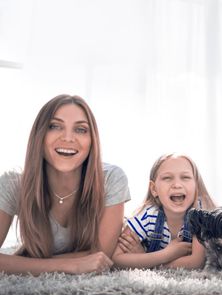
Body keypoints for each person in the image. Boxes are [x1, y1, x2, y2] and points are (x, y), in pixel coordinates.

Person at [0, 94, 130, 275]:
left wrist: (21, 264)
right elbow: (88, 261)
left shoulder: (111, 178)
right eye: (55, 126)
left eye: (81, 130)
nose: (68, 138)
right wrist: (71, 265)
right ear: (40, 135)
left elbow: (100, 257)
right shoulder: (12, 183)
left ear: (92, 141)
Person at [112, 154, 215, 269]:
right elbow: (116, 259)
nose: (177, 185)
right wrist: (167, 254)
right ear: (154, 189)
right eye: (167, 178)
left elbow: (195, 263)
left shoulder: (201, 216)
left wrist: (145, 258)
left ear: (196, 186)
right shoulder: (148, 216)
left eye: (185, 177)